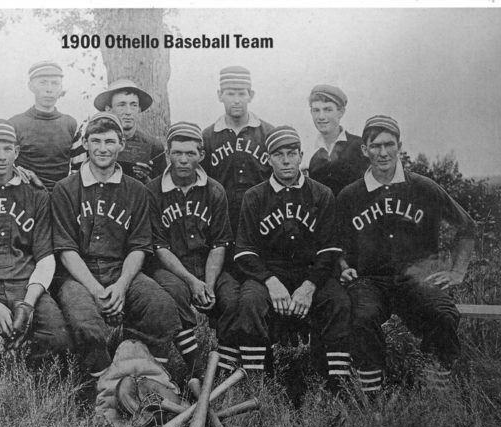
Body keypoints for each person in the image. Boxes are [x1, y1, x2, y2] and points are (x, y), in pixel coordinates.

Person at [335, 115, 476, 392]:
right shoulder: (351, 195)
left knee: (444, 314)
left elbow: (467, 226)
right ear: (364, 150)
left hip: (416, 279)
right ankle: (372, 394)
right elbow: (336, 243)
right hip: (370, 280)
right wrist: (342, 265)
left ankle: (435, 387)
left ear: (399, 146)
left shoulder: (424, 187)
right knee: (361, 318)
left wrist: (457, 271)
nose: (383, 152)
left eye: (389, 144)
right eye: (375, 146)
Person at [52, 112, 180, 382]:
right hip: (78, 274)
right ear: (85, 144)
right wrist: (97, 290)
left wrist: (121, 285)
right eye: (95, 141)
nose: (102, 148)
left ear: (121, 144)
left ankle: (144, 378)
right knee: (87, 323)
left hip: (119, 270)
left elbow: (138, 246)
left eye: (110, 142)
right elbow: (66, 250)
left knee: (161, 307)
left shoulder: (135, 190)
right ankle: (102, 386)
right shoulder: (65, 188)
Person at [0, 120, 73, 395]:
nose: (3, 156)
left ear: (17, 152)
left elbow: (45, 257)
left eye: (8, 148)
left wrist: (28, 305)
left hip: (26, 285)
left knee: (58, 340)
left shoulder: (37, 197)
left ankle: (37, 399)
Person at [232, 126, 351, 387]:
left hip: (311, 273)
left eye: (291, 153)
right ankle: (257, 385)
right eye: (278, 154)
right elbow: (244, 250)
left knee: (338, 301)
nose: (286, 160)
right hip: (268, 272)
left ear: (301, 156)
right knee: (250, 301)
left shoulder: (321, 194)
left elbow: (329, 249)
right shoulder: (254, 196)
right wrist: (271, 282)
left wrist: (309, 287)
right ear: (268, 159)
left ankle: (337, 386)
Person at [146, 122, 240, 373]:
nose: (184, 160)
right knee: (173, 292)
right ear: (167, 155)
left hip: (208, 264)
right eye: (177, 153)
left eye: (190, 153)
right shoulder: (153, 191)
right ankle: (196, 365)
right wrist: (191, 282)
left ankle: (224, 368)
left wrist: (208, 284)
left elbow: (220, 243)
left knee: (231, 296)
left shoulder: (214, 190)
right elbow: (159, 246)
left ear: (202, 155)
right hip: (172, 267)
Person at [201, 66, 274, 239]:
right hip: (221, 217)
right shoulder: (208, 136)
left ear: (251, 95)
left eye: (242, 94)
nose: (236, 100)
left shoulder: (268, 133)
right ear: (220, 95)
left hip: (262, 215)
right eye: (230, 94)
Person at [70, 80, 166, 183]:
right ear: (108, 109)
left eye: (133, 105)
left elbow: (162, 190)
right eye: (121, 105)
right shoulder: (93, 143)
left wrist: (146, 178)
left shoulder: (154, 146)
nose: (128, 112)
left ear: (139, 109)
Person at [9, 61, 78, 192]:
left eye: (55, 83)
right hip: (26, 195)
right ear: (31, 86)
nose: (49, 89)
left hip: (62, 196)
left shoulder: (71, 124)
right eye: (43, 82)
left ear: (61, 87)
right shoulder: (15, 124)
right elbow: (5, 166)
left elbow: (78, 170)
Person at [305, 84, 367, 197]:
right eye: (316, 110)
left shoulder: (359, 146)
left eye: (328, 110)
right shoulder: (313, 157)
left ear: (341, 112)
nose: (321, 116)